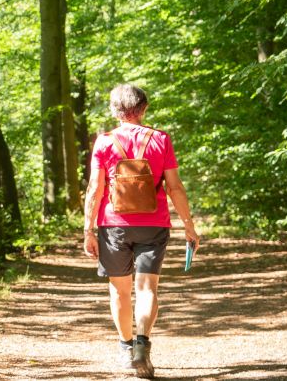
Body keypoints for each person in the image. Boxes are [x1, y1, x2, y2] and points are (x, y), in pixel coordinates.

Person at [83, 83, 200, 379]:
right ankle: (142, 344)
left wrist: (88, 229)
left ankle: (125, 348)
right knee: (147, 288)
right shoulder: (161, 139)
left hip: (113, 226)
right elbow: (175, 187)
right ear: (144, 108)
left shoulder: (104, 142)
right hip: (154, 223)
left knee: (120, 291)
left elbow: (95, 189)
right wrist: (189, 225)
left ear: (115, 111)